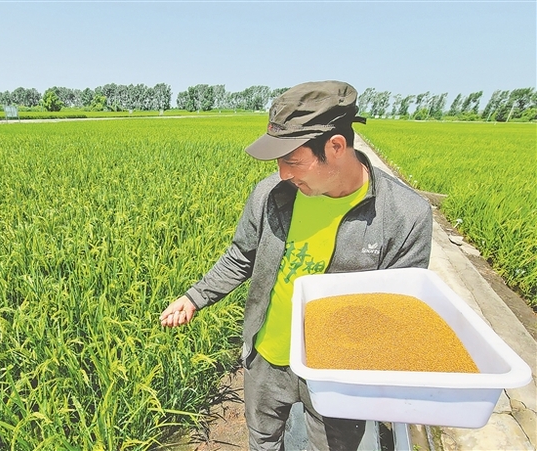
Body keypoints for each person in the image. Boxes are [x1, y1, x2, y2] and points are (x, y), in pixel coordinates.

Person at [159, 80, 433, 451]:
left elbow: (399, 310)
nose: (284, 173)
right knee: (264, 440)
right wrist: (195, 297)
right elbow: (242, 256)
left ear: (335, 147)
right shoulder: (272, 193)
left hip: (337, 375)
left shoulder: (403, 216)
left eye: (292, 160)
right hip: (267, 357)